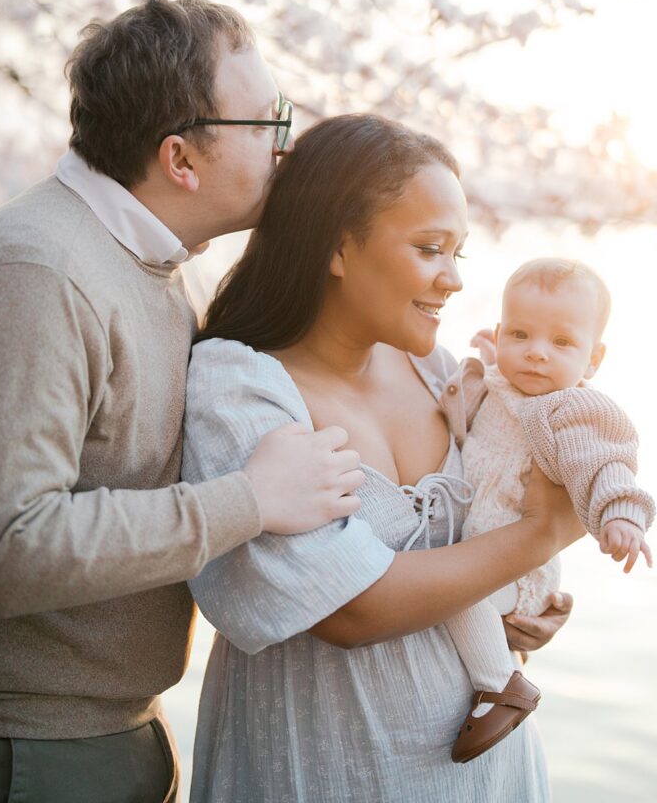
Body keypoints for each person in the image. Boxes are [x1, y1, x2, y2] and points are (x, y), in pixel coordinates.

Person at [0, 0, 367, 802]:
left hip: (114, 729)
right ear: (181, 161)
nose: (287, 145)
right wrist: (250, 499)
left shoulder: (151, 262)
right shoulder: (40, 273)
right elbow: (9, 544)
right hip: (35, 752)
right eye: (268, 123)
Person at [182, 114, 585, 803]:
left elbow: (491, 528)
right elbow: (349, 609)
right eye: (430, 249)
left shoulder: (444, 375)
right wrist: (539, 537)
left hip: (490, 777)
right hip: (330, 770)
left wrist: (519, 606)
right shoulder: (239, 386)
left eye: (459, 253)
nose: (454, 279)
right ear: (339, 247)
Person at [440, 257, 656, 763]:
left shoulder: (570, 412)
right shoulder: (503, 385)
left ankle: (503, 688)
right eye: (520, 334)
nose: (536, 354)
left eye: (560, 344)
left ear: (593, 358)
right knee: (454, 588)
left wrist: (621, 515)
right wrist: (495, 356)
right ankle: (498, 672)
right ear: (500, 332)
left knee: (452, 595)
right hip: (481, 557)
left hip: (515, 571)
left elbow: (605, 465)